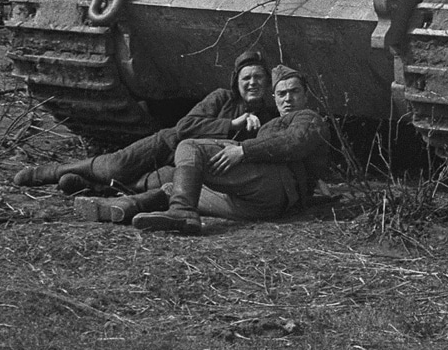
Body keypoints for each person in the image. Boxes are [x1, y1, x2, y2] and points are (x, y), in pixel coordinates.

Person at [11, 51, 277, 222]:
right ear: (237, 82)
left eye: (258, 78)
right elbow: (187, 126)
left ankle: (91, 188)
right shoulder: (221, 98)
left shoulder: (269, 116)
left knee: (149, 186)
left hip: (189, 165)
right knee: (115, 166)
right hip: (169, 142)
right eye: (246, 78)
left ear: (267, 84)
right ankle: (52, 171)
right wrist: (231, 124)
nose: (252, 83)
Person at [131, 64, 330, 236]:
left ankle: (181, 212)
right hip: (264, 206)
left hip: (278, 186)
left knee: (190, 147)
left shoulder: (307, 117)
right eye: (281, 94)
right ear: (274, 98)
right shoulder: (272, 123)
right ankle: (123, 207)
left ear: (305, 95)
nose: (288, 99)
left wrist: (242, 150)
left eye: (294, 92)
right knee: (176, 188)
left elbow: (294, 142)